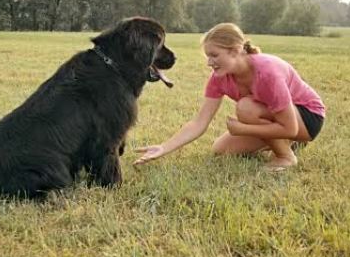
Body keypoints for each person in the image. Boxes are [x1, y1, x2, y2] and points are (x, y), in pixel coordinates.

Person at [134, 23, 325, 171]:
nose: (209, 62)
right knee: (221, 149)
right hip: (278, 120)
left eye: (214, 55)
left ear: (235, 50)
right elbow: (199, 123)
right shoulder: (219, 78)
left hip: (307, 117)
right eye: (208, 56)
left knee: (246, 108)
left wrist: (243, 128)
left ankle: (285, 156)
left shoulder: (267, 73)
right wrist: (163, 148)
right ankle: (286, 143)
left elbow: (290, 127)